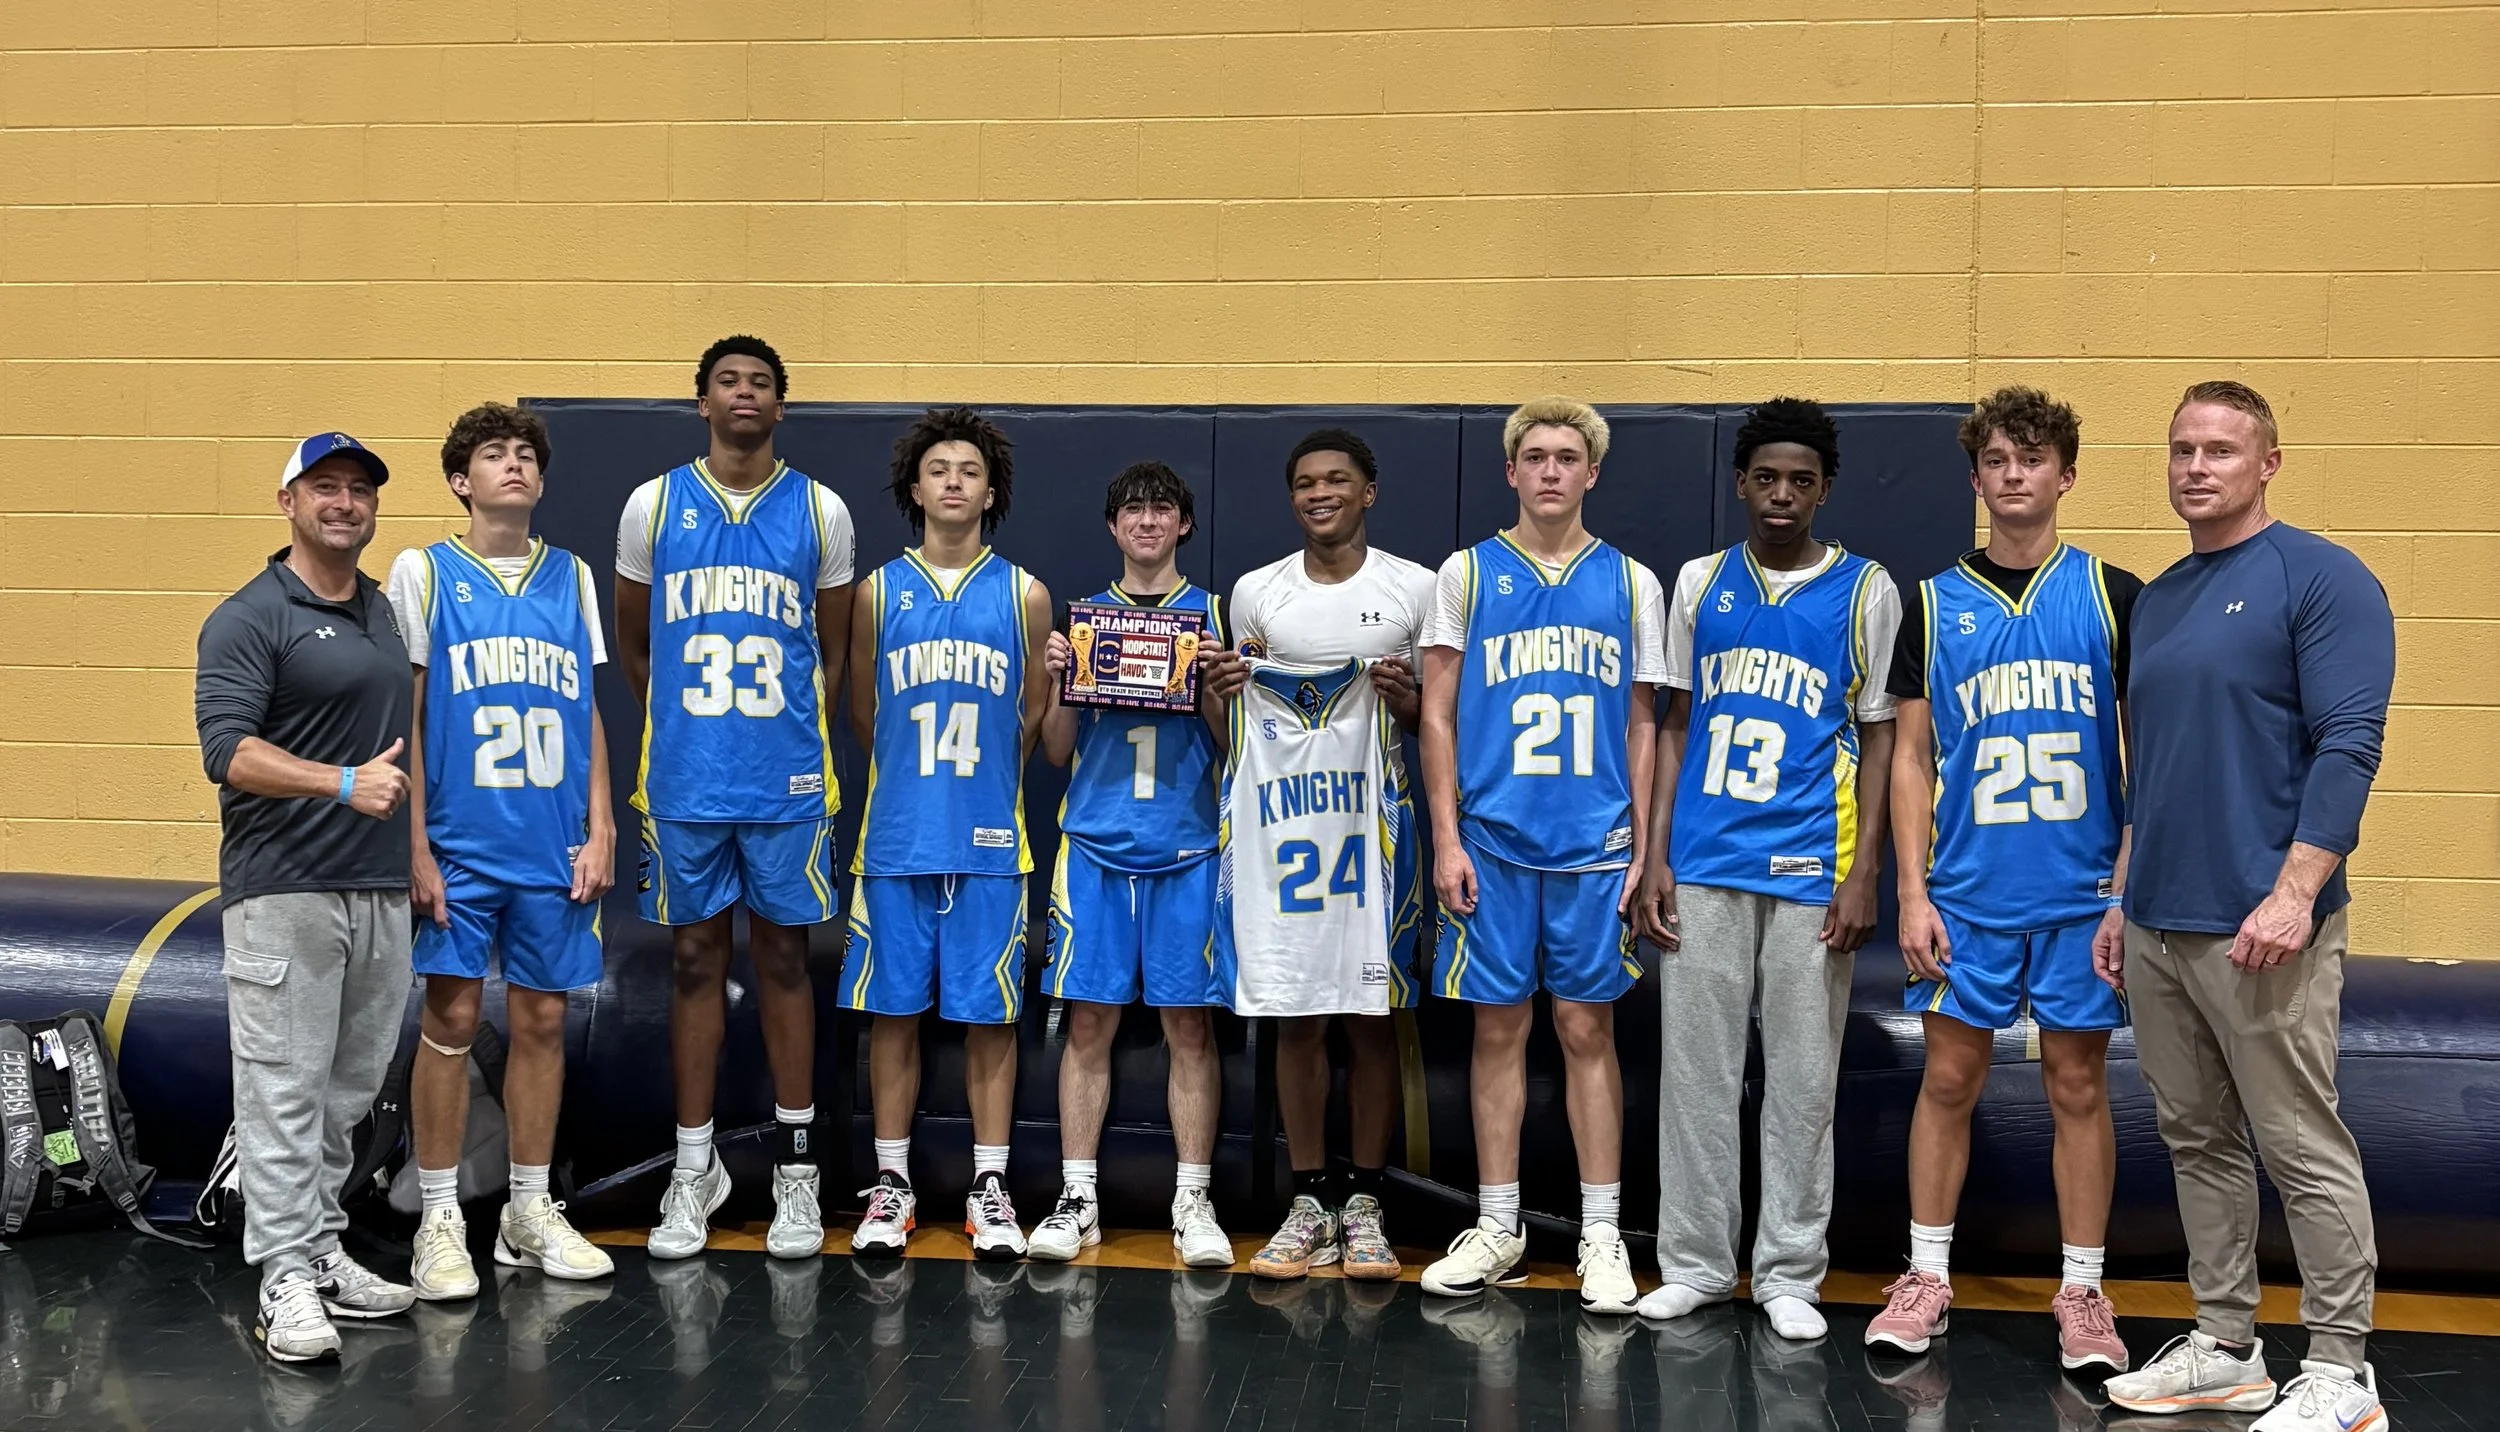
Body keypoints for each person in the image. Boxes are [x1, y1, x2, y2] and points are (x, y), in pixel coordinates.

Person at [2102, 382, 2396, 1432]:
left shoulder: (2321, 578)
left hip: (2264, 928)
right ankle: (2226, 1347)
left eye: (2221, 450)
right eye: (2182, 447)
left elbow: (2350, 745)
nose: (2196, 466)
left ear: (2267, 463)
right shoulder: (2163, 596)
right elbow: (2150, 767)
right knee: (2198, 1142)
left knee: (2299, 1144)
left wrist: (2294, 892)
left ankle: (2343, 1372)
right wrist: (2120, 896)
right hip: (2158, 921)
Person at [1863, 387, 2139, 1372]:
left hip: (2078, 896)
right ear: (1975, 479)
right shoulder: (1932, 602)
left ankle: (2083, 1290)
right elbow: (1910, 758)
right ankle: (1926, 1274)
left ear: (2067, 475)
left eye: (2032, 458)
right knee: (1947, 1078)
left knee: (2077, 1083)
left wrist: (2123, 890)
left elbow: (2146, 754)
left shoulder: (2113, 594)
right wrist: (1910, 892)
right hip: (1966, 892)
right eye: (1995, 460)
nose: (2013, 474)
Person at [1635, 396, 1900, 1341]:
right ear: (1741, 483)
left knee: (1801, 1082)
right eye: (1766, 478)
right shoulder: (1700, 581)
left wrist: (1866, 872)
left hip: (1813, 866)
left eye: (1801, 480)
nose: (1782, 494)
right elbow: (1673, 725)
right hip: (1706, 859)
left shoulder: (1867, 590)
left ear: (1824, 490)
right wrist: (1655, 854)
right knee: (1696, 1077)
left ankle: (1789, 1272)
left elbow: (1881, 736)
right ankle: (1698, 1266)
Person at [1415, 398, 1666, 1315]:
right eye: (1535, 456)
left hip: (1594, 847)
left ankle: (1601, 1232)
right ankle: (1499, 1223)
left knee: (1588, 1031)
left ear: (1591, 472)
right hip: (1492, 841)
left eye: (1567, 457)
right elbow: (1436, 715)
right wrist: (1446, 837)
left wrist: (1643, 844)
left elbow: (1643, 722)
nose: (1551, 470)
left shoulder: (1633, 582)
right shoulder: (1466, 574)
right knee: (1497, 1031)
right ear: (1511, 471)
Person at [614, 335, 857, 1261]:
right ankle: (693, 1167)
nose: (744, 392)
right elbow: (637, 648)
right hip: (685, 778)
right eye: (727, 380)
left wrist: (780, 736)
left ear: (780, 406)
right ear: (702, 402)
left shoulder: (822, 510)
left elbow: (831, 654)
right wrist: (691, 730)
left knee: (787, 959)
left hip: (786, 779)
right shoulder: (652, 505)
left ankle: (797, 1170)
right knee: (694, 962)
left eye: (760, 382)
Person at [194, 432, 420, 1362]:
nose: (345, 503)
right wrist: (340, 783)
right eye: (325, 486)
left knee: (348, 1091)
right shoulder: (250, 616)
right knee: (283, 1092)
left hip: (378, 889)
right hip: (284, 890)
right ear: (287, 501)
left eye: (360, 489)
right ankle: (282, 1275)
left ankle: (321, 1249)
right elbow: (227, 752)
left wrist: (414, 857)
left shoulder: (381, 611)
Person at [388, 404, 618, 1301]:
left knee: (543, 1022)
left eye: (526, 454)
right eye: (494, 454)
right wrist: (413, 843)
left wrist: (601, 827)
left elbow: (586, 710)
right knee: (449, 1020)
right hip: (462, 841)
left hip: (553, 843)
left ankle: (528, 1210)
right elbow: (407, 714)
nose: (514, 465)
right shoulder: (424, 571)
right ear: (461, 480)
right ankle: (440, 1217)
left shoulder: (573, 574)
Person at [1199, 428, 1437, 1281]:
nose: (1320, 493)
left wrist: (1405, 704)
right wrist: (1217, 696)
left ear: (1368, 492)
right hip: (1285, 831)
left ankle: (1365, 1201)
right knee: (1297, 1015)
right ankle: (1309, 1201)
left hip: (1377, 828)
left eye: (1337, 479)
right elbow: (1234, 738)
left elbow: (1439, 722)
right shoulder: (1256, 593)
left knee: (1371, 1017)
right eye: (1305, 482)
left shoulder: (1417, 587)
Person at [842, 407, 1055, 1262]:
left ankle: (989, 1184)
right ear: (916, 488)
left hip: (989, 842)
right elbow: (865, 712)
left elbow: (1030, 718)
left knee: (989, 1019)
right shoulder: (876, 593)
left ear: (991, 492)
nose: (955, 481)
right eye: (940, 469)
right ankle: (892, 1183)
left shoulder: (1025, 594)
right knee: (891, 1015)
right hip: (897, 838)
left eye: (970, 470)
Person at [1026, 462, 1235, 1269]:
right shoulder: (1084, 621)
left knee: (1190, 1025)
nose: (1148, 521)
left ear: (1185, 524)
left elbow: (1235, 748)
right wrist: (1059, 681)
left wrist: (1213, 683)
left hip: (1187, 847)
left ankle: (1194, 1198)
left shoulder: (1212, 616)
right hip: (1095, 846)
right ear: (1114, 526)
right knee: (1088, 1022)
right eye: (1134, 510)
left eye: (1163, 509)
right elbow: (1054, 750)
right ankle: (1078, 1197)